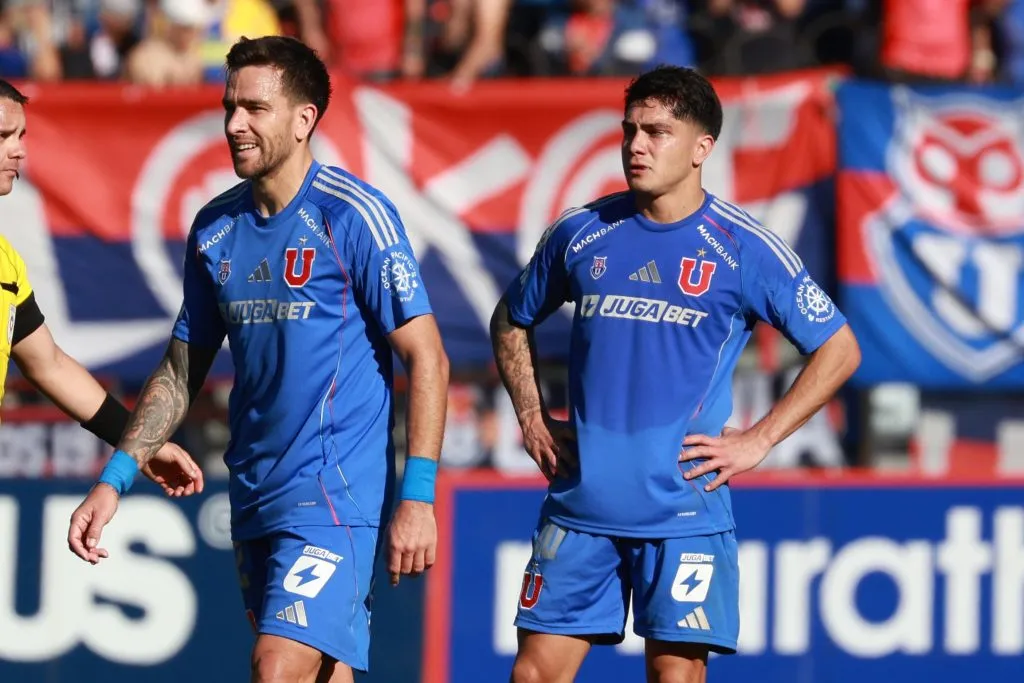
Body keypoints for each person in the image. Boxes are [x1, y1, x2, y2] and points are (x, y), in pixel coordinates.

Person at [67, 36, 449, 683]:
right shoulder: (215, 228)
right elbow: (181, 369)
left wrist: (418, 496)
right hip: (255, 494)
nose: (233, 124)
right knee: (318, 673)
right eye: (228, 107)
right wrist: (115, 479)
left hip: (336, 495)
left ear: (304, 120)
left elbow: (429, 357)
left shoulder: (353, 216)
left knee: (276, 667)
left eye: (254, 108)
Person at [489, 65, 861, 683]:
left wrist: (759, 438)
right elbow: (510, 318)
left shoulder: (742, 247)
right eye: (630, 129)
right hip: (581, 504)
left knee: (675, 678)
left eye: (657, 132)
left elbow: (840, 349)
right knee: (533, 674)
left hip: (682, 514)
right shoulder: (582, 233)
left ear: (701, 148)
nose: (636, 145)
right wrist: (531, 414)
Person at [0, 78, 201, 496]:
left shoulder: (6, 262)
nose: (19, 149)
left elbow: (49, 364)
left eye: (21, 136)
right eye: (3, 136)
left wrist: (139, 446)